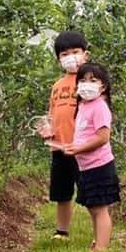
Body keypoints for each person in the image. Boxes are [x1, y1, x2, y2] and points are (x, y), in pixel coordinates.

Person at [63, 62, 119, 252]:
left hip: (99, 165)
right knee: (92, 206)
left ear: (102, 86)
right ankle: (97, 242)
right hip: (86, 166)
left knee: (100, 208)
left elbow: (103, 137)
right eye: (83, 80)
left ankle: (102, 248)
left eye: (93, 80)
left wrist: (79, 149)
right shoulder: (83, 106)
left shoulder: (100, 107)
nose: (87, 84)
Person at [39, 30, 89, 240]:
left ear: (85, 53)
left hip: (83, 147)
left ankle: (101, 232)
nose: (71, 57)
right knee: (62, 193)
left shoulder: (90, 80)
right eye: (64, 54)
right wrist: (46, 128)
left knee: (91, 192)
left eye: (75, 52)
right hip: (60, 147)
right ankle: (62, 231)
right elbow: (52, 114)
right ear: (58, 58)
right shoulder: (57, 86)